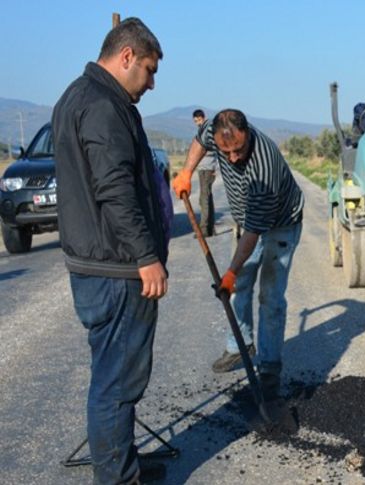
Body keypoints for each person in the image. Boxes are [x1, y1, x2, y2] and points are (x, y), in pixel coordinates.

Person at [52, 17, 170, 484]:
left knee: (112, 377)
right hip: (116, 268)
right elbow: (115, 188)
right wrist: (146, 256)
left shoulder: (75, 97)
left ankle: (123, 464)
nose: (152, 83)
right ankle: (119, 479)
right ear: (126, 57)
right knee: (116, 385)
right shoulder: (102, 105)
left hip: (97, 263)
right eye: (148, 69)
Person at [172, 109, 304, 399]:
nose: (233, 158)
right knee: (240, 286)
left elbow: (254, 233)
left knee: (270, 295)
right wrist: (186, 172)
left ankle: (269, 367)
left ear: (248, 135)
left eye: (239, 150)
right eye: (226, 151)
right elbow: (199, 140)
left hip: (280, 224)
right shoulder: (213, 131)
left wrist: (230, 271)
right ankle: (240, 345)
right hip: (247, 220)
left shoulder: (263, 165)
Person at [192, 109, 217, 237]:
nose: (197, 123)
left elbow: (210, 148)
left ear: (203, 118)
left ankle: (204, 229)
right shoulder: (202, 129)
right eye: (195, 121)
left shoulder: (208, 130)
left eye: (199, 120)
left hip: (207, 168)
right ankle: (211, 228)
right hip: (204, 168)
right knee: (208, 197)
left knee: (204, 199)